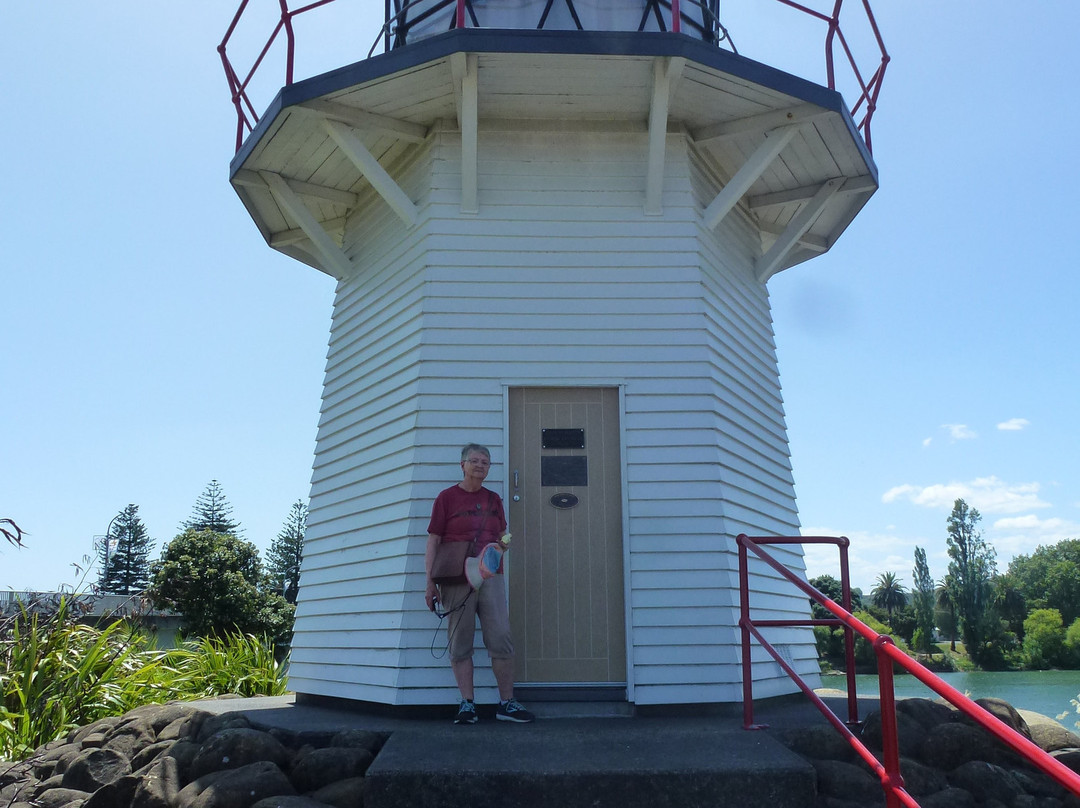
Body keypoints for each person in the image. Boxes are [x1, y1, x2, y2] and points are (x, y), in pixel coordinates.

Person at [425, 443, 535, 724]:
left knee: (500, 638)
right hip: (455, 578)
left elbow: (502, 536)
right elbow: (434, 540)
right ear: (462, 465)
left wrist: (501, 547)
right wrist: (430, 584)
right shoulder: (446, 498)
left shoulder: (493, 499)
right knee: (460, 642)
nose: (480, 466)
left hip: (490, 578)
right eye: (474, 461)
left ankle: (506, 704)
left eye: (485, 462)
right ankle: (467, 705)